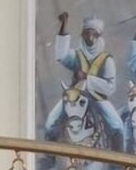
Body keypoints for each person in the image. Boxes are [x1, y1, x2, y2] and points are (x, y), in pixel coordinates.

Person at [44, 13, 125, 152]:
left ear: (99, 37)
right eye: (87, 34)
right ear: (83, 35)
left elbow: (110, 87)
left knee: (117, 125)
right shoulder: (78, 55)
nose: (90, 38)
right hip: (75, 96)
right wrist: (64, 25)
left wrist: (88, 78)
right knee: (51, 120)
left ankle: (118, 159)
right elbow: (62, 56)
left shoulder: (107, 60)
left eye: (94, 35)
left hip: (97, 98)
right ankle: (49, 156)